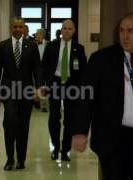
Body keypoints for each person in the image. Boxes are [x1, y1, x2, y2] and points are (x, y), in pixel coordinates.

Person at [71, 13, 133, 180]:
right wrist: (80, 131)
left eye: (131, 31)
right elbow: (85, 96)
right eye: (121, 31)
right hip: (114, 140)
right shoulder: (102, 59)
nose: (124, 36)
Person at [0, 17, 42, 170]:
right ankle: (10, 159)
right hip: (8, 90)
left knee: (23, 126)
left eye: (20, 27)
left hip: (27, 91)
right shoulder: (2, 46)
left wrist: (38, 88)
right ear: (11, 28)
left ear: (24, 29)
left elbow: (37, 69)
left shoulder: (32, 45)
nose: (17, 29)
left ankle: (21, 159)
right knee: (9, 123)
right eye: (15, 27)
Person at [42, 19, 87, 161]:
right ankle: (55, 148)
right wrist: (42, 85)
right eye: (64, 28)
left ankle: (65, 149)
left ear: (74, 31)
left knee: (69, 119)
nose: (66, 31)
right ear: (61, 30)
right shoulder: (52, 46)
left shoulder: (79, 48)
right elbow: (44, 66)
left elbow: (83, 70)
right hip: (55, 83)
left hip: (71, 85)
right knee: (54, 117)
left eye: (69, 29)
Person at [35, 28, 49, 112]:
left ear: (42, 35)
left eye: (37, 34)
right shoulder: (33, 44)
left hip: (45, 69)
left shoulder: (48, 44)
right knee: (37, 87)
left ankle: (44, 105)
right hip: (35, 68)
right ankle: (37, 103)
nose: (36, 35)